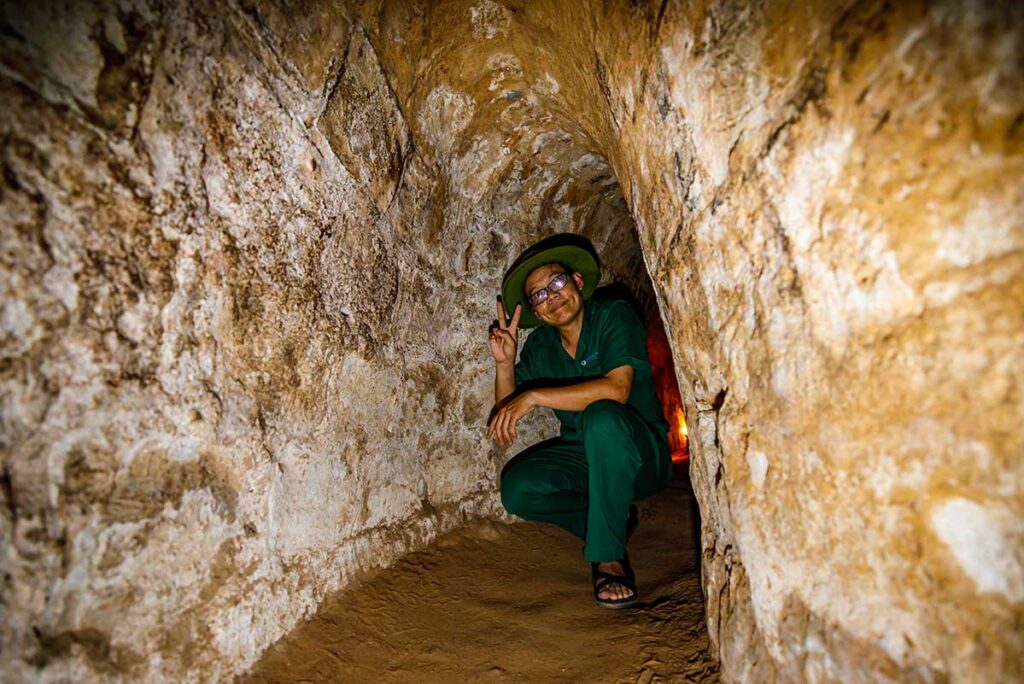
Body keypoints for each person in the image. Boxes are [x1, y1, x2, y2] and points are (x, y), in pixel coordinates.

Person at [486, 234, 673, 608]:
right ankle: (611, 523)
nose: (551, 296)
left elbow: (618, 389)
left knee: (603, 416)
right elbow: (508, 405)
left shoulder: (614, 316)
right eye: (539, 295)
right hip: (584, 454)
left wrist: (535, 395)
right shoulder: (541, 346)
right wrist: (505, 363)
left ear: (578, 283)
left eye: (556, 283)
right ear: (537, 313)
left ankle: (609, 558)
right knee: (518, 488)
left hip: (641, 454)